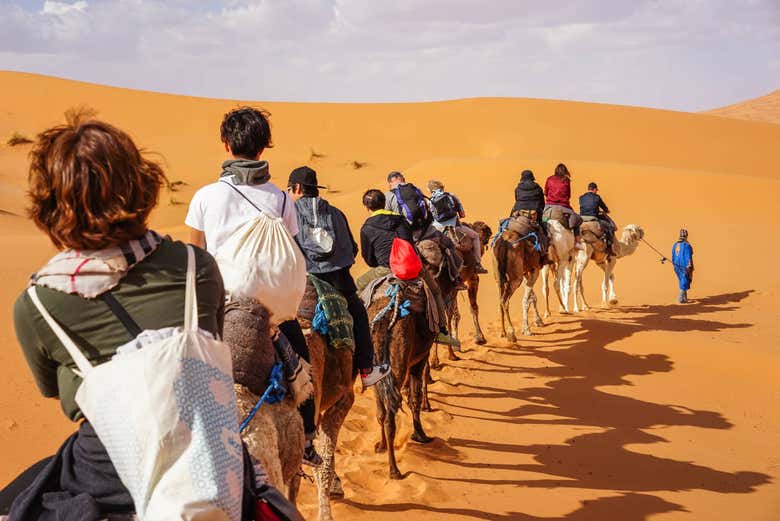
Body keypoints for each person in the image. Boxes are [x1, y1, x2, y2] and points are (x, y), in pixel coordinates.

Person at [4, 118, 222, 519]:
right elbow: (210, 347)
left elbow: (55, 391)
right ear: (142, 184)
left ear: (51, 208)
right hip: (211, 462)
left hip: (105, 472)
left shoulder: (36, 303)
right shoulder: (198, 267)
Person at [184, 106, 321, 466]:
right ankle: (307, 440)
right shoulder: (281, 198)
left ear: (226, 144)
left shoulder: (205, 197)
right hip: (274, 315)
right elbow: (286, 252)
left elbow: (196, 256)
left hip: (222, 308)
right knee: (303, 367)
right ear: (263, 149)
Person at [287, 166, 390, 387]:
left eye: (289, 189)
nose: (288, 194)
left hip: (300, 283)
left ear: (296, 188)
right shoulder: (336, 213)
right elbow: (351, 249)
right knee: (359, 315)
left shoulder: (288, 214)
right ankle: (366, 370)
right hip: (338, 282)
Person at [426, 180, 488, 274]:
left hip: (437, 230)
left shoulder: (429, 201)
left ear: (430, 190)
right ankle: (478, 265)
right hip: (455, 227)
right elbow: (462, 214)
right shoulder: (451, 196)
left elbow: (429, 218)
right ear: (441, 187)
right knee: (475, 236)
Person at [357, 189, 413, 292]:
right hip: (410, 263)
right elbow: (410, 241)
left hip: (388, 268)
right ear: (384, 202)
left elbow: (368, 258)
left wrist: (382, 262)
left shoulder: (366, 228)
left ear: (367, 207)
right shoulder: (400, 219)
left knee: (359, 283)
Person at [544, 163, 584, 248]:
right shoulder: (566, 180)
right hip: (564, 207)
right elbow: (568, 195)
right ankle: (577, 242)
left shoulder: (549, 179)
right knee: (577, 219)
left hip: (549, 207)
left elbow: (545, 192)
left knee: (542, 220)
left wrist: (551, 198)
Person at [579, 182, 617, 254]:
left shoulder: (581, 197)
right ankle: (609, 249)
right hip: (592, 218)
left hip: (582, 219)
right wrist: (606, 210)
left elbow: (585, 206)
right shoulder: (597, 197)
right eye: (596, 190)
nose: (596, 191)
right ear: (594, 189)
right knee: (609, 227)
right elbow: (603, 206)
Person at [671, 229, 694, 303]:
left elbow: (673, 255)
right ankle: (681, 298)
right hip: (684, 265)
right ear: (686, 236)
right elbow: (688, 256)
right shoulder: (687, 245)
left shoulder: (675, 245)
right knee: (685, 280)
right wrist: (689, 265)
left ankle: (684, 298)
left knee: (682, 279)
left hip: (676, 265)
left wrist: (674, 264)